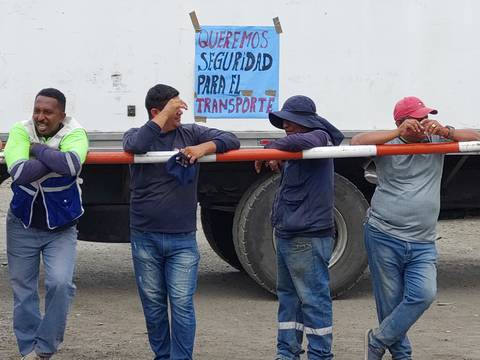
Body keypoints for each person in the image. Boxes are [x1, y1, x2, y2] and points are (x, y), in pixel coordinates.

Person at [351, 96, 480, 360]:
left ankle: (378, 339)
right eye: (418, 119)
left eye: (426, 118)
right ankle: (402, 355)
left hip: (423, 240)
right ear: (402, 122)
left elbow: (477, 137)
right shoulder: (389, 142)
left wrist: (446, 131)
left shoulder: (438, 141)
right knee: (389, 301)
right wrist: (397, 133)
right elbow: (356, 142)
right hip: (384, 233)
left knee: (424, 294)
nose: (424, 124)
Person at [123, 83, 240, 360]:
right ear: (156, 111)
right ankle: (162, 356)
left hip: (182, 239)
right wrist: (163, 116)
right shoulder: (137, 135)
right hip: (145, 237)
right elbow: (137, 145)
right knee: (152, 305)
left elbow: (231, 139)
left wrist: (203, 148)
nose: (181, 113)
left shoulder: (191, 132)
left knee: (182, 303)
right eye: (176, 108)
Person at [255, 95, 344, 360]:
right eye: (284, 121)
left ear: (306, 122)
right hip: (289, 232)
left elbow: (304, 141)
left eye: (291, 121)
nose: (285, 126)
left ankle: (319, 355)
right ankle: (287, 353)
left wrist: (272, 149)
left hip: (306, 234)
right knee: (289, 298)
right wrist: (277, 154)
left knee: (313, 299)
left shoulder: (318, 136)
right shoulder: (298, 144)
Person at [4, 88, 89, 359]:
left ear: (62, 115)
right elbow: (19, 173)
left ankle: (45, 348)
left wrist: (37, 149)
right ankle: (29, 350)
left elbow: (72, 164)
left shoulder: (76, 132)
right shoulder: (20, 129)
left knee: (60, 284)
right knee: (23, 291)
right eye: (37, 110)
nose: (40, 117)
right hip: (22, 224)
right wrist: (55, 159)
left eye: (48, 112)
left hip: (61, 228)